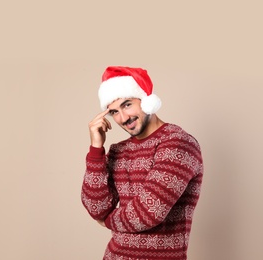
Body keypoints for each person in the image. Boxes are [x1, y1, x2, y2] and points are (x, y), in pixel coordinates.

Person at [81, 66, 203, 260]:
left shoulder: (178, 143)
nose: (123, 118)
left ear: (146, 100)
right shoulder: (117, 150)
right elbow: (96, 207)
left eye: (127, 104)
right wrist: (97, 149)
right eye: (114, 112)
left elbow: (148, 212)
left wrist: (107, 221)